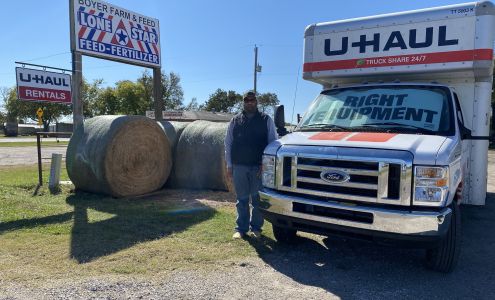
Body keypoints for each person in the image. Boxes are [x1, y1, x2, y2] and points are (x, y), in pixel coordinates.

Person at [225, 91, 278, 239]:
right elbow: (228, 143)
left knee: (257, 200)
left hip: (258, 167)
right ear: (243, 102)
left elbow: (273, 142)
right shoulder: (235, 121)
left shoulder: (266, 119)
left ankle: (256, 228)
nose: (249, 102)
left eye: (252, 100)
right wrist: (229, 165)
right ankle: (241, 229)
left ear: (256, 102)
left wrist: (266, 164)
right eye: (247, 100)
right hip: (239, 166)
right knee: (241, 199)